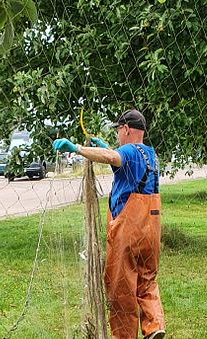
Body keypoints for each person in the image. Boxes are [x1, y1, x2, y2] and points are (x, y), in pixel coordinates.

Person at [53, 109, 165, 339]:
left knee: (120, 286)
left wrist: (77, 149)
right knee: (147, 279)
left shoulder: (127, 151)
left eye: (117, 131)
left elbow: (113, 157)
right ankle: (155, 326)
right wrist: (105, 147)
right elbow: (123, 164)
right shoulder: (151, 154)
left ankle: (124, 336)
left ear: (126, 129)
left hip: (130, 227)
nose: (117, 136)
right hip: (151, 226)